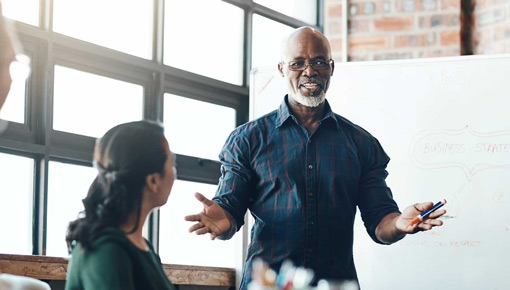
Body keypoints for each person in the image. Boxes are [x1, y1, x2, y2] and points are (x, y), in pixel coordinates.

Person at [185, 27, 446, 289]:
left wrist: (400, 223)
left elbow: (381, 223)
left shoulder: (361, 144)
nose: (309, 72)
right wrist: (223, 221)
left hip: (334, 284)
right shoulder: (247, 140)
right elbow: (228, 213)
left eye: (319, 62)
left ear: (331, 67)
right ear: (281, 69)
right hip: (268, 284)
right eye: (297, 63)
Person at [65, 121, 177, 290]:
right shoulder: (105, 249)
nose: (175, 174)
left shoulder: (144, 246)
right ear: (153, 180)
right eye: (172, 163)